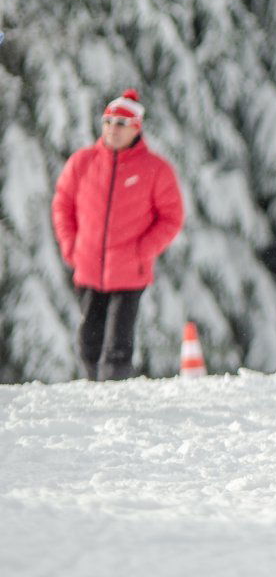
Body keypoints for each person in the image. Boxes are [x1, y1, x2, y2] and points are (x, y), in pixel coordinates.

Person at [51, 89, 185, 380]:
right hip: (87, 267)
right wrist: (70, 245)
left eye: (120, 123)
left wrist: (142, 250)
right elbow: (62, 204)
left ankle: (115, 394)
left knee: (118, 344)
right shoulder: (82, 162)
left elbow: (172, 218)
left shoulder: (155, 169)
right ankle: (91, 388)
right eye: (108, 121)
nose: (112, 128)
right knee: (89, 340)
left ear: (136, 127)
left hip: (129, 272)